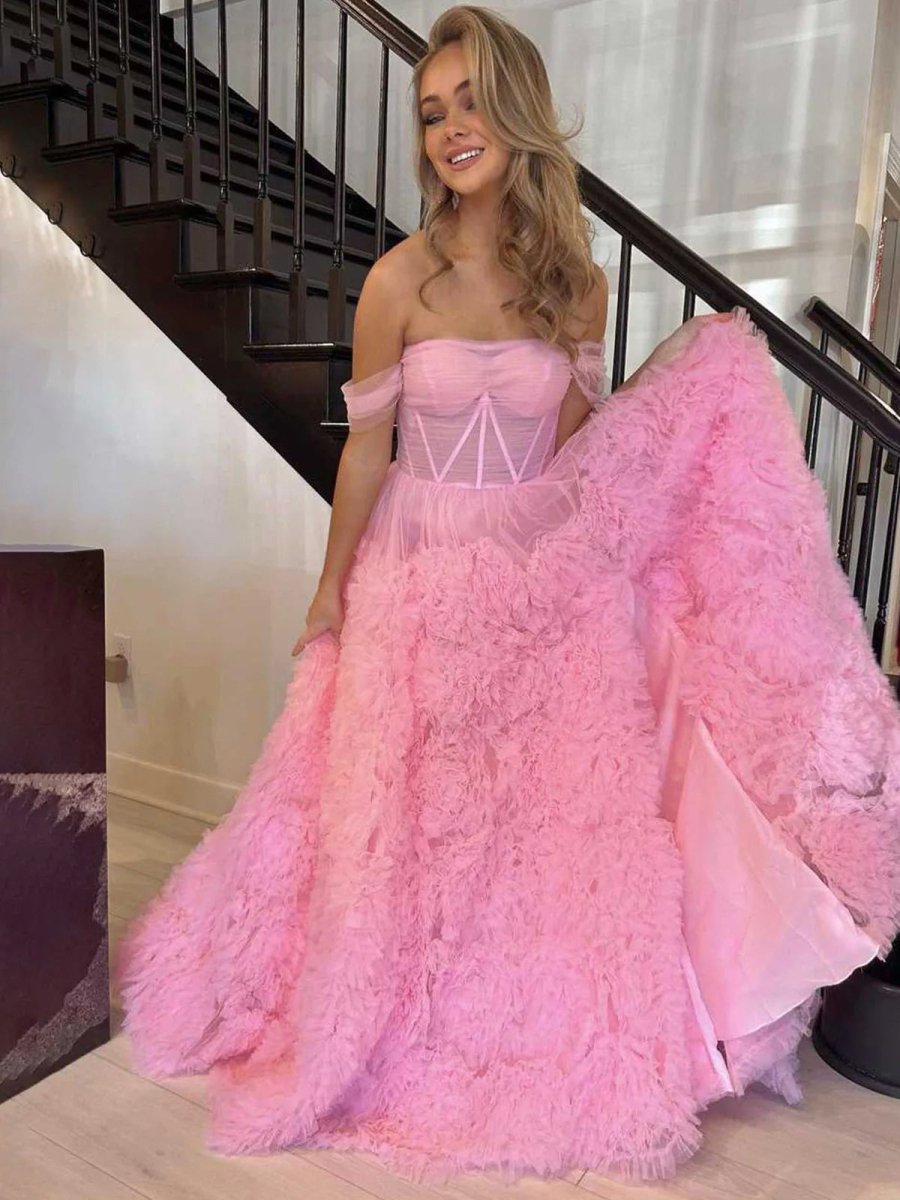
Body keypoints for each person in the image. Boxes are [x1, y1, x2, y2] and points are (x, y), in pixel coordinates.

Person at [114, 4, 900, 1187]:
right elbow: (366, 454)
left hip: (534, 588)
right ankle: (392, 1018)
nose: (450, 128)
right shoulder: (397, 281)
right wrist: (331, 592)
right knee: (406, 820)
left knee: (522, 829)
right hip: (417, 574)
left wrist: (669, 421)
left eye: (472, 101)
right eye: (432, 111)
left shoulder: (576, 289)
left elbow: (579, 459)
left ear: (518, 113)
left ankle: (512, 1024)